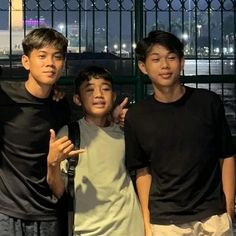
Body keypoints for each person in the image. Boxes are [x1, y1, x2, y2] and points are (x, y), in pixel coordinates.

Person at [124, 30, 235, 236]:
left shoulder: (208, 103)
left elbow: (226, 156)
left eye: (171, 58)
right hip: (166, 223)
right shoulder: (136, 116)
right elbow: (142, 171)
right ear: (143, 67)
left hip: (213, 217)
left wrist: (227, 210)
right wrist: (148, 226)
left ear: (182, 62)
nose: (165, 66)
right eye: (155, 59)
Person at [47, 65, 145, 236]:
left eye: (105, 89)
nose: (99, 95)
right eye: (90, 90)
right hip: (85, 230)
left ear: (113, 97)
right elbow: (59, 191)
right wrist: (52, 164)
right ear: (78, 99)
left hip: (130, 228)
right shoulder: (69, 134)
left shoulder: (125, 132)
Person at [0, 27, 72, 235]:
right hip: (7, 212)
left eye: (57, 57)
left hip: (49, 212)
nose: (50, 63)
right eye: (42, 56)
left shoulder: (61, 106)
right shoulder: (5, 96)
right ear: (25, 62)